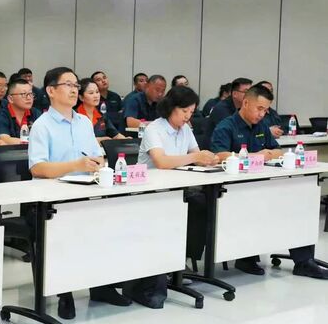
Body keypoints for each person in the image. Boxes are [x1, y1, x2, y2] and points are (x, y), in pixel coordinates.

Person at [28, 67, 127, 319]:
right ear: (51, 91)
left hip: (86, 191)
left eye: (76, 85)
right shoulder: (41, 126)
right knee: (67, 235)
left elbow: (96, 155)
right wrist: (75, 165)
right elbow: (37, 168)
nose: (74, 90)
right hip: (54, 200)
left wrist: (98, 163)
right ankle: (65, 293)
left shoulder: (84, 122)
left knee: (110, 225)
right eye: (68, 85)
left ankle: (102, 287)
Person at [211, 84, 328, 279]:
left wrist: (267, 154)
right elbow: (219, 155)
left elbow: (276, 151)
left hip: (263, 183)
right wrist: (256, 155)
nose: (262, 114)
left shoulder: (262, 126)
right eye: (259, 108)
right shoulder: (226, 126)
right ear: (245, 103)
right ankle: (246, 257)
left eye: (265, 110)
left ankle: (304, 261)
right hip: (235, 190)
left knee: (299, 203)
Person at [138, 86, 219, 269]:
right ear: (170, 107)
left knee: (204, 202)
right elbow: (161, 161)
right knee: (193, 205)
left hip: (179, 187)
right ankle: (172, 262)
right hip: (153, 191)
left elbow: (196, 155)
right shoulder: (154, 129)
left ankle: (185, 258)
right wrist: (195, 157)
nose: (188, 116)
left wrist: (208, 159)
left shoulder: (185, 129)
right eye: (184, 111)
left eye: (191, 112)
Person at [0, 78, 42, 144]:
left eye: (30, 94)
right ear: (10, 99)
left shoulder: (36, 113)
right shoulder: (2, 115)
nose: (29, 98)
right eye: (23, 94)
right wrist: (31, 142)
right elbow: (4, 139)